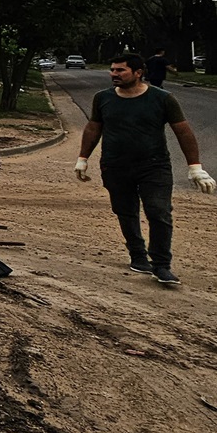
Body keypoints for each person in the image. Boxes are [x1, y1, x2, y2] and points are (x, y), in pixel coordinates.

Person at [75, 51, 214, 286]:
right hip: (115, 165)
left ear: (138, 73)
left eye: (121, 70)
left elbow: (183, 131)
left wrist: (195, 168)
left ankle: (161, 265)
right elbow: (93, 127)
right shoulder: (103, 98)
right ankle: (138, 255)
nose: (114, 74)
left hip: (154, 165)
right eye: (112, 70)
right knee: (125, 211)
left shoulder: (162, 98)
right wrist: (83, 158)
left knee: (159, 211)